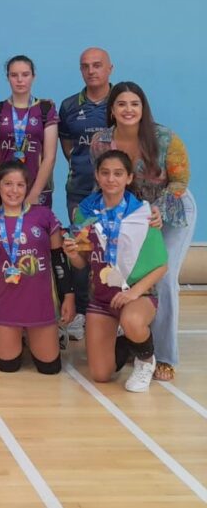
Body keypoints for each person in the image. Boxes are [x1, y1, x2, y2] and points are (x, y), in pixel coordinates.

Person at [89, 82, 195, 382]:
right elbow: (102, 184)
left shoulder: (165, 138)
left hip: (170, 210)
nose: (128, 109)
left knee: (164, 276)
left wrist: (157, 208)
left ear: (143, 108)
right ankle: (134, 336)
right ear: (112, 109)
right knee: (122, 270)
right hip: (127, 213)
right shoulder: (100, 141)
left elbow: (180, 181)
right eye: (121, 104)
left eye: (134, 104)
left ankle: (163, 356)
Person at [63, 150, 168, 392]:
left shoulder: (143, 214)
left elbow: (162, 265)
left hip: (137, 295)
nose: (111, 179)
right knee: (101, 375)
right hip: (101, 298)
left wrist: (133, 294)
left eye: (118, 173)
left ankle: (145, 359)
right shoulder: (85, 213)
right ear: (97, 177)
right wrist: (72, 254)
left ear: (129, 178)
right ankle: (125, 342)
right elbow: (83, 263)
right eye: (105, 173)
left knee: (132, 319)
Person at [0, 161, 73, 374]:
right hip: (5, 301)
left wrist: (68, 296)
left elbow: (59, 258)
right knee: (8, 367)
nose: (14, 191)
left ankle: (45, 335)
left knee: (49, 369)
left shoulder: (44, 215)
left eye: (20, 185)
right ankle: (15, 337)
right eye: (8, 184)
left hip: (40, 302)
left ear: (28, 187)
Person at [57, 47, 114, 341]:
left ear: (110, 69)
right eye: (85, 66)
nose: (91, 71)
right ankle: (80, 311)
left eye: (97, 65)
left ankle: (114, 311)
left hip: (116, 194)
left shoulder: (122, 102)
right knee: (80, 249)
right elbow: (69, 147)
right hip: (79, 192)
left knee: (114, 249)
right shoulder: (68, 106)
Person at [0, 56, 58, 208]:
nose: (20, 80)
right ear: (8, 78)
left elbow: (50, 156)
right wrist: (1, 187)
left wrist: (34, 193)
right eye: (14, 75)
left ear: (33, 77)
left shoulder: (46, 110)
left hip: (36, 189)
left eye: (25, 75)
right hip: (3, 191)